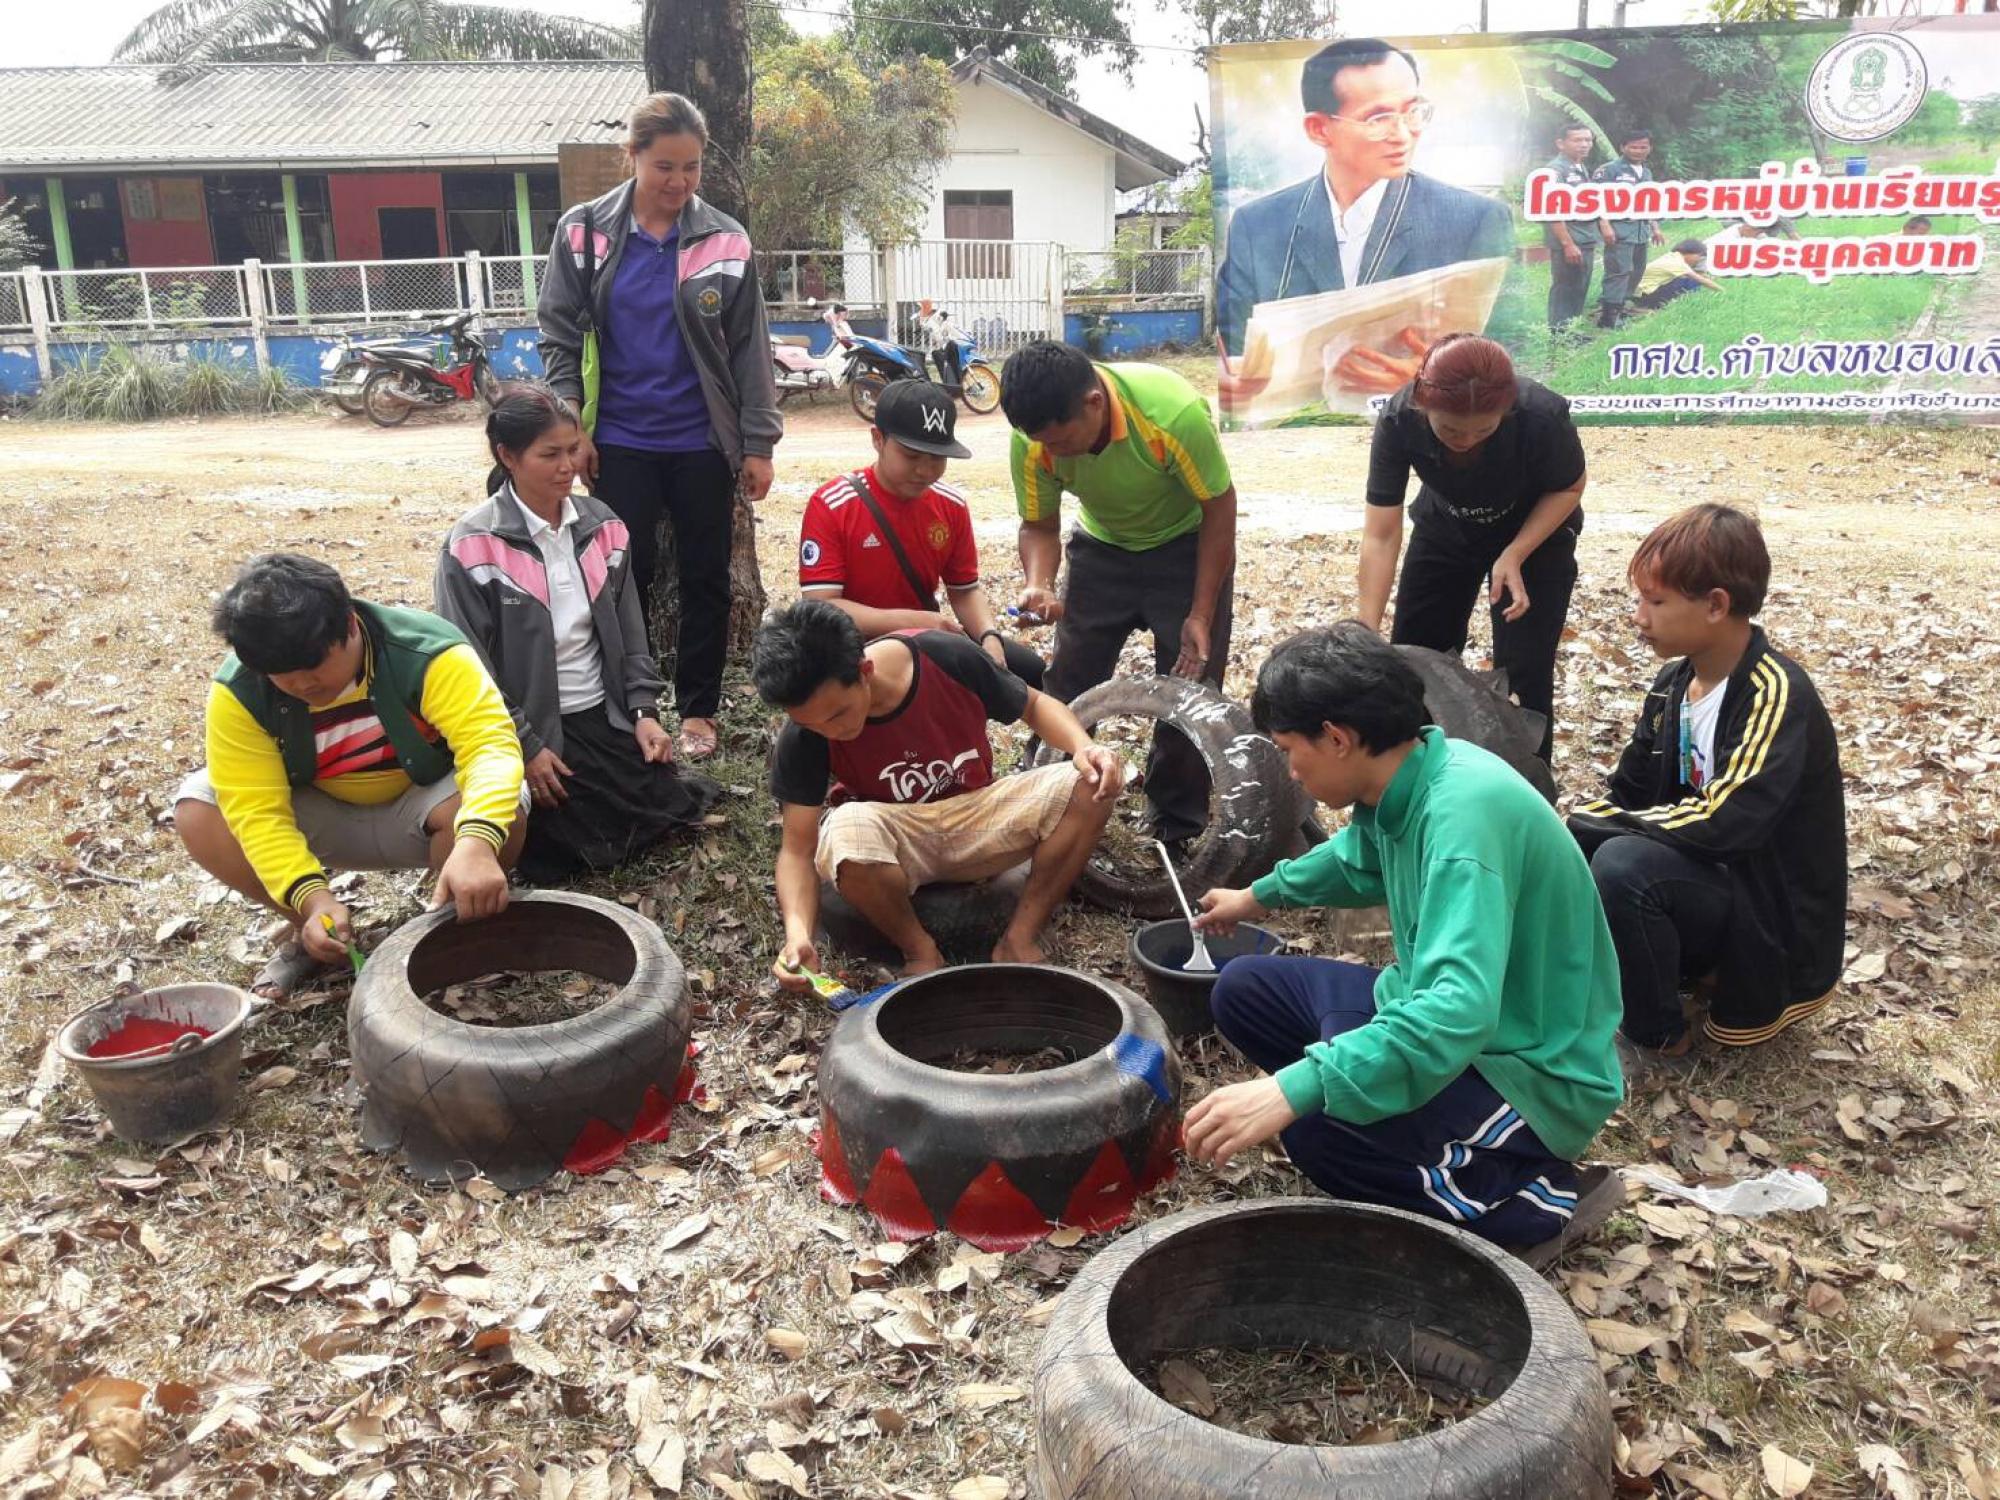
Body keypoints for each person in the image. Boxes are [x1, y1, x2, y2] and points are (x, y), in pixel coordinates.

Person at [1186, 623, 1624, 1257]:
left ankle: (1533, 1199)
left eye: (1290, 751)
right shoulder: (1408, 777)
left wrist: (1294, 1088)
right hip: (1444, 1016)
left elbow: (1457, 1010)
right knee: (1245, 988)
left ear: (1337, 739)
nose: (1292, 772)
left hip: (1527, 1068)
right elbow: (1356, 860)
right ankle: (1388, 1110)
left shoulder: (1463, 820)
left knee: (1316, 1134)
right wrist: (1257, 896)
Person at [537, 91, 782, 761]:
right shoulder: (583, 232)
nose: (678, 182)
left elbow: (749, 348)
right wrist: (573, 424)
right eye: (664, 166)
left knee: (706, 576)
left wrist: (758, 442)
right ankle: (634, 705)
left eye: (691, 167)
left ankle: (698, 710)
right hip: (618, 440)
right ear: (633, 156)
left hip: (703, 440)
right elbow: (558, 333)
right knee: (624, 576)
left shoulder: (725, 240)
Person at [174, 555, 527, 999]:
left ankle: (449, 932)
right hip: (323, 814)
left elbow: (490, 747)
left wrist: (476, 842)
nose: (302, 685)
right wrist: (311, 898)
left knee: (504, 803)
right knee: (200, 808)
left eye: (314, 665)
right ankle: (314, 932)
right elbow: (256, 811)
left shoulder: (427, 651)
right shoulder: (239, 692)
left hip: (424, 805)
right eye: (282, 676)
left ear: (349, 624)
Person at [1569, 505, 1845, 1062]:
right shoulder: (1674, 682)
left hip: (1765, 904)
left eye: (1655, 602)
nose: (1639, 617)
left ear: (1716, 605)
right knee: (1576, 845)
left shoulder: (1776, 693)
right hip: (1706, 878)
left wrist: (1603, 826)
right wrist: (1570, 830)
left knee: (1622, 863)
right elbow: (1630, 791)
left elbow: (1729, 821)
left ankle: (1656, 1037)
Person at [435, 385, 723, 881]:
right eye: (549, 455)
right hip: (526, 723)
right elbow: (466, 668)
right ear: (507, 456)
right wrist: (525, 745)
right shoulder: (472, 546)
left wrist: (643, 713)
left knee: (658, 804)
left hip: (600, 712)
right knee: (557, 834)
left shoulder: (602, 527)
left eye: (573, 449)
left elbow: (631, 632)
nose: (568, 466)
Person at [755, 600, 1124, 982]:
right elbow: (797, 850)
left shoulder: (944, 656)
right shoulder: (804, 734)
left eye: (837, 715)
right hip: (899, 838)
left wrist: (1084, 747)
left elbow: (1033, 705)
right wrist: (798, 935)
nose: (829, 731)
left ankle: (1019, 939)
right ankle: (920, 952)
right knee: (843, 831)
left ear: (865, 671)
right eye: (812, 725)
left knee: (1090, 782)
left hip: (978, 812)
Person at [1003, 341, 1235, 847]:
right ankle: (1042, 797)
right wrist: (1038, 582)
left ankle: (1175, 823)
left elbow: (1219, 510)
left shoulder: (1170, 414)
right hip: (1101, 551)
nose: (1054, 453)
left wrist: (1201, 612)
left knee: (1188, 689)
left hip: (1186, 548)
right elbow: (1038, 524)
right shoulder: (1033, 439)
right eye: (1044, 443)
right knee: (1070, 679)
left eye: (1063, 441)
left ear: (1094, 403)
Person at [1216, 37, 1515, 377]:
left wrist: (1438, 379)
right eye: (1378, 118)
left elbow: (1505, 359)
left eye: (1412, 111)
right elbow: (1236, 353)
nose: (1402, 134)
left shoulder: (1474, 220)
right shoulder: (1258, 226)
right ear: (1319, 129)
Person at [1355, 334, 1585, 763]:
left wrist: (1515, 552)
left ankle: (1526, 781)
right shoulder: (1400, 419)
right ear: (1423, 404)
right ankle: (1417, 772)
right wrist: (1366, 625)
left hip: (1535, 538)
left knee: (1525, 670)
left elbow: (1569, 487)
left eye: (1484, 429)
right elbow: (1381, 533)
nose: (1466, 439)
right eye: (1450, 429)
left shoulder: (1541, 415)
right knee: (1415, 658)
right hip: (1445, 529)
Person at [799, 379, 1045, 690]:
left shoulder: (950, 505)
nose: (925, 471)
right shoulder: (833, 505)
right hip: (852, 646)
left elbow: (964, 589)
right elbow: (822, 606)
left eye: (937, 458)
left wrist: (989, 636)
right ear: (878, 439)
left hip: (925, 638)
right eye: (912, 456)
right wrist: (916, 622)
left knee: (1034, 673)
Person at [1543, 124, 1615, 331]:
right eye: (1577, 140)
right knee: (1565, 288)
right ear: (1561, 143)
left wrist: (1603, 223)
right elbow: (1552, 212)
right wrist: (1567, 244)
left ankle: (1571, 330)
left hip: (1585, 238)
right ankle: (1559, 334)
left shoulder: (1580, 167)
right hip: (1570, 240)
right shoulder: (1554, 171)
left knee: (1579, 286)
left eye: (1588, 140)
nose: (1584, 145)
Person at [1593, 128, 1666, 329]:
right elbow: (1596, 199)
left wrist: (1655, 227)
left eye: (1643, 147)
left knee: (1637, 271)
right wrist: (1605, 225)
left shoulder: (1646, 172)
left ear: (1650, 148)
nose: (1638, 151)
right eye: (1633, 147)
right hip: (1619, 230)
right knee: (1618, 271)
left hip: (1641, 231)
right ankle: (1608, 317)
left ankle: (1621, 307)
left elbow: (1649, 202)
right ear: (1623, 147)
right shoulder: (1609, 170)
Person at [1630, 240, 1722, 313]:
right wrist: (1722, 291)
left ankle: (1641, 308)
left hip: (1637, 293)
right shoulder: (1678, 263)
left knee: (1684, 279)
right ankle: (1644, 308)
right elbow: (1701, 279)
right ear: (1690, 252)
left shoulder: (1672, 257)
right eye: (1700, 256)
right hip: (1645, 293)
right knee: (1693, 282)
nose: (1698, 260)